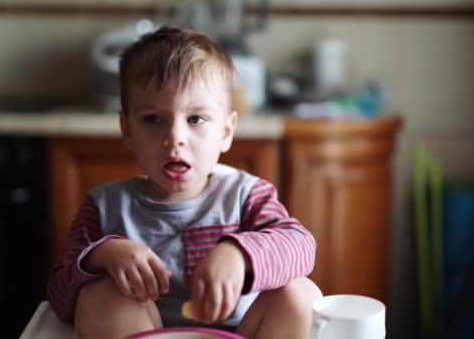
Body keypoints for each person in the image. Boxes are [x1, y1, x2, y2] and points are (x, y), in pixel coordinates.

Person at [46, 26, 322, 339]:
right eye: (153, 119)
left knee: (300, 293)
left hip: (242, 333)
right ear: (127, 130)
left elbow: (301, 248)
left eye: (195, 119)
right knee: (99, 296)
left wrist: (239, 254)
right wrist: (102, 256)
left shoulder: (246, 195)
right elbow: (59, 297)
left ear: (226, 131)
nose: (175, 138)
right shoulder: (104, 207)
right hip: (147, 331)